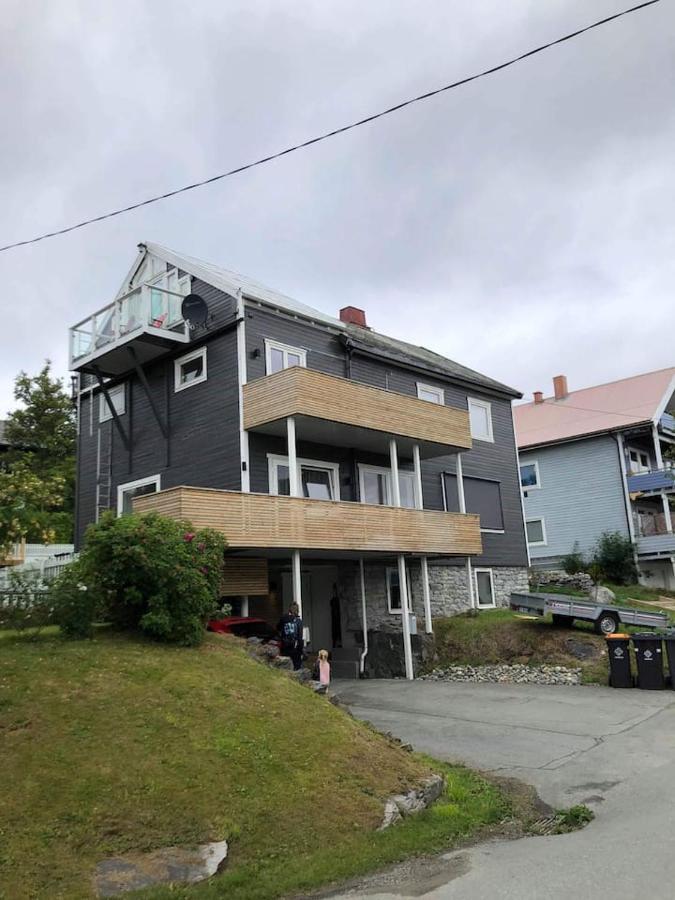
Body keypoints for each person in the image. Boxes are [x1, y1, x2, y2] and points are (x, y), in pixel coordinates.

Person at [277, 602, 304, 670]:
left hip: (285, 647)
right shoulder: (299, 621)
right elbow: (300, 637)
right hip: (295, 648)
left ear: (289, 609)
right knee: (296, 668)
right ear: (297, 610)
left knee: (285, 668)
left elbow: (278, 628)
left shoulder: (283, 619)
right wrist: (301, 650)